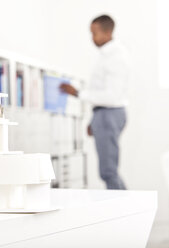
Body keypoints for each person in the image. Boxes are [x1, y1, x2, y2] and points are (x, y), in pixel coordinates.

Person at [60, 15, 129, 190]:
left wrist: (78, 93)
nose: (92, 38)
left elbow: (112, 96)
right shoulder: (106, 55)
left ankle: (125, 212)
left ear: (107, 32)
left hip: (109, 113)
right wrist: (94, 120)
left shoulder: (116, 57)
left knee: (108, 171)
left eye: (95, 33)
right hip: (104, 114)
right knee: (108, 170)